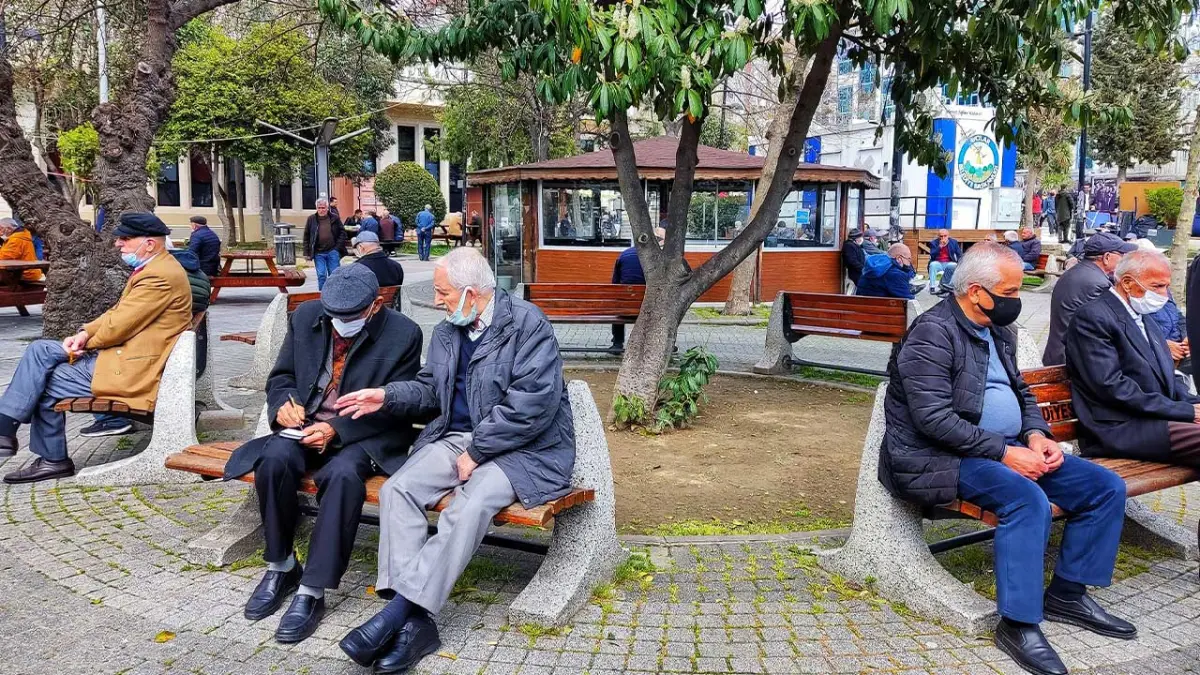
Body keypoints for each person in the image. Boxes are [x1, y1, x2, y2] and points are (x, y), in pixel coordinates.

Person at [881, 243, 1135, 675]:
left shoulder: (999, 331)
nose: (1017, 300)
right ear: (977, 292)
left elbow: (1021, 392)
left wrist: (1037, 435)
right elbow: (932, 419)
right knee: (1026, 500)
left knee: (1104, 487)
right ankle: (1018, 623)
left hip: (1008, 446)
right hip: (938, 457)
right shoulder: (933, 333)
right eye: (1011, 290)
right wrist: (1004, 452)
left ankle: (1068, 595)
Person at [332, 248, 575, 673]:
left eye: (443, 293)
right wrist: (387, 396)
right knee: (399, 489)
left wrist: (477, 452)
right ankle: (417, 623)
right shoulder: (448, 331)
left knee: (473, 501)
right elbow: (430, 390)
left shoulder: (526, 324)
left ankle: (395, 614)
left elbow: (531, 406)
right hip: (458, 437)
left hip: (526, 449)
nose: (439, 300)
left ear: (470, 293)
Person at [221, 265, 422, 644]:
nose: (339, 324)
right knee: (274, 460)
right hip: (304, 424)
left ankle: (312, 590)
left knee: (343, 477)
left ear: (376, 305)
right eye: (334, 316)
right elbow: (281, 377)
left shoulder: (404, 334)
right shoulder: (309, 316)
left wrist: (336, 430)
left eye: (350, 317)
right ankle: (281, 565)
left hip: (364, 435)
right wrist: (284, 405)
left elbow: (398, 405)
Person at [0, 213, 193, 482]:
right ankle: (7, 429)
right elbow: (117, 313)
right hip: (131, 355)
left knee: (42, 380)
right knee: (40, 350)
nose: (118, 244)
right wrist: (83, 333)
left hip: (134, 368)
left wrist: (87, 342)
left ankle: (44, 454)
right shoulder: (157, 268)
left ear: (150, 244)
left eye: (126, 239)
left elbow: (118, 327)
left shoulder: (158, 276)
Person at [1067, 250, 1200, 492]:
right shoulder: (1093, 317)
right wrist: (1186, 411)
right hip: (1119, 428)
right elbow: (1112, 387)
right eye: (1157, 286)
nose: (1164, 295)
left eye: (1166, 287)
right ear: (1127, 283)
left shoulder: (1143, 315)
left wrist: (1193, 403)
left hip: (1153, 419)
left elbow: (1167, 377)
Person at [1042, 233, 1136, 366]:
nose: (1124, 261)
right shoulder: (1097, 283)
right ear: (1107, 257)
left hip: (1060, 353)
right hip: (1072, 360)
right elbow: (1114, 325)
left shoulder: (1079, 271)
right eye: (1122, 256)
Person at [609, 228, 664, 352]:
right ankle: (657, 344)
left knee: (619, 303)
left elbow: (614, 283)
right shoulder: (656, 258)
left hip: (625, 308)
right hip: (648, 307)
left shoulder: (624, 255)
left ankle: (617, 343)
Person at [303, 198, 348, 291]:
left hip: (332, 251)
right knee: (321, 275)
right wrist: (306, 252)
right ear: (316, 208)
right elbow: (306, 236)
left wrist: (337, 248)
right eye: (319, 208)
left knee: (335, 274)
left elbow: (343, 233)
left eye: (323, 208)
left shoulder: (334, 218)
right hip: (318, 252)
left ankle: (335, 294)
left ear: (327, 208)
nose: (321, 210)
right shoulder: (311, 219)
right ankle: (323, 296)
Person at [927, 229, 962, 294]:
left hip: (949, 262)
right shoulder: (934, 243)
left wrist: (960, 263)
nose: (943, 238)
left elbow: (959, 254)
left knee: (954, 265)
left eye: (945, 236)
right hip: (938, 262)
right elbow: (932, 255)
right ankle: (932, 287)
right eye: (941, 236)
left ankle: (946, 286)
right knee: (933, 265)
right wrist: (939, 247)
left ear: (948, 236)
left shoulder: (953, 242)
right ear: (938, 236)